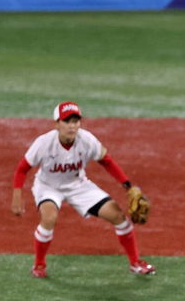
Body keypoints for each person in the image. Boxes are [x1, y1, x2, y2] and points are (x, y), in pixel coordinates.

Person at [10, 101, 154, 278]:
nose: (72, 126)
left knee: (118, 217)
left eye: (76, 121)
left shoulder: (86, 139)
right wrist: (17, 195)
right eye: (67, 121)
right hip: (48, 187)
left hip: (78, 185)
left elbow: (106, 160)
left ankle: (135, 263)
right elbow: (22, 168)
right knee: (49, 217)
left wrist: (127, 185)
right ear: (57, 124)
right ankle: (39, 265)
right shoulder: (44, 143)